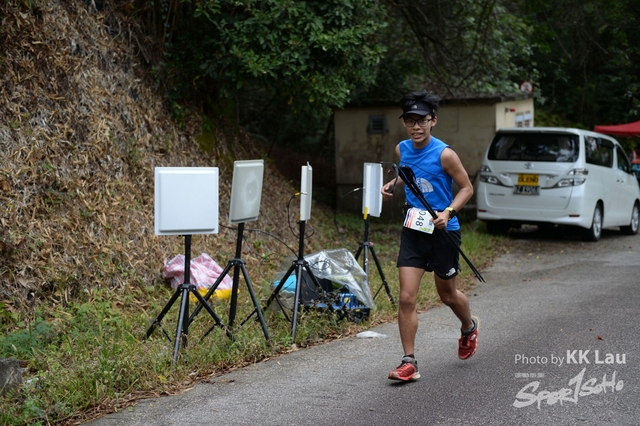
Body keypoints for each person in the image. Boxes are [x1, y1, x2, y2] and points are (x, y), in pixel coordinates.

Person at [381, 90, 479, 381]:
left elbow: (467, 188)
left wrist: (448, 212)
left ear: (433, 121)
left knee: (447, 295)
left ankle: (469, 327)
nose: (416, 127)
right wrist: (393, 183)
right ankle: (408, 362)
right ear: (404, 123)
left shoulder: (445, 154)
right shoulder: (402, 149)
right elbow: (408, 173)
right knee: (406, 298)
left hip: (443, 232)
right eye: (410, 121)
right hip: (414, 229)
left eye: (422, 121)